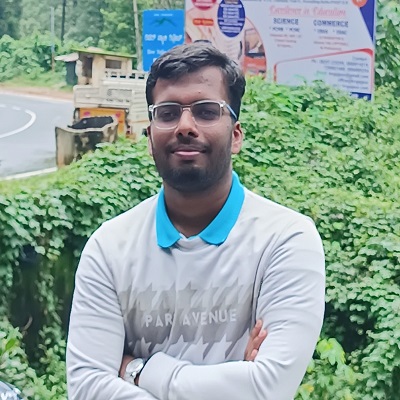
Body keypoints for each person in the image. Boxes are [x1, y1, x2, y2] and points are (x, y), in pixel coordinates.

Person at [66, 42, 325, 400]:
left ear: (236, 136)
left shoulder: (285, 240)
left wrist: (137, 370)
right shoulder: (109, 248)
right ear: (149, 137)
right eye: (168, 113)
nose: (185, 126)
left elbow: (268, 387)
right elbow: (86, 388)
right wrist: (233, 383)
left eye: (206, 111)